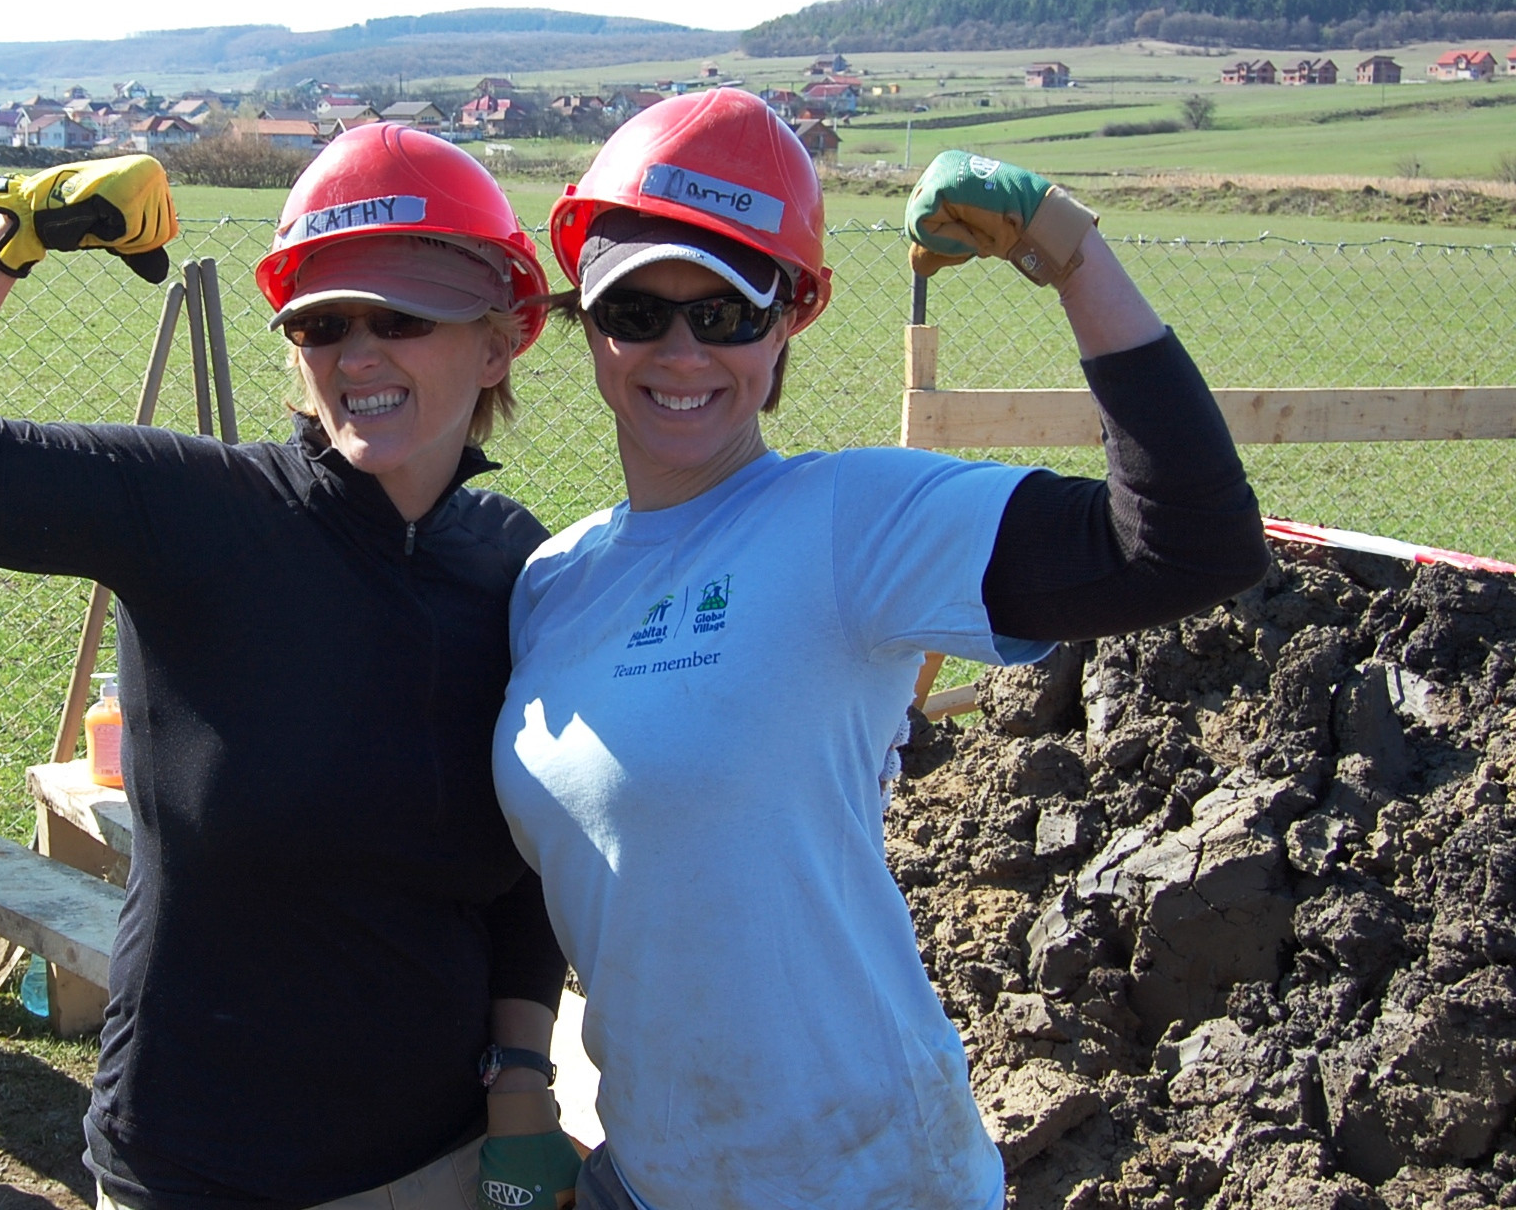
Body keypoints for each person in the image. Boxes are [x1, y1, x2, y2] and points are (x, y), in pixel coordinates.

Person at [492, 90, 1271, 1209]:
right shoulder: (551, 584)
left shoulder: (854, 523)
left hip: (869, 1177)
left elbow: (1191, 546)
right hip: (653, 1181)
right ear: (591, 325)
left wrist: (1070, 249)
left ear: (789, 319)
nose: (679, 349)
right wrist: (520, 1082)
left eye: (726, 313)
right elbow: (549, 860)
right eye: (638, 310)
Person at [0, 130, 585, 1210]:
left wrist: (525, 1083)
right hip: (200, 1160)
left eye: (400, 316)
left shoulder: (510, 561)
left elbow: (523, 861)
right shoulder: (193, 509)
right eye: (321, 321)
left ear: (502, 341)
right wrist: (11, 239)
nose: (357, 353)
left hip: (438, 1152)